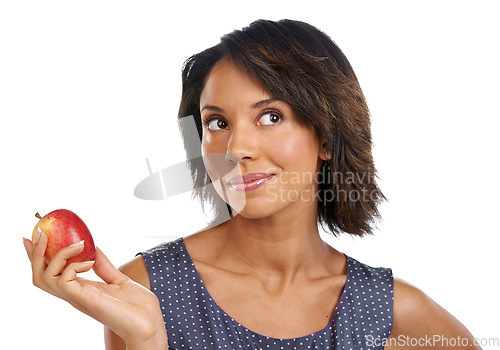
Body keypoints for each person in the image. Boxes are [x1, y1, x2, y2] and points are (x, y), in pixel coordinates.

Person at [23, 19, 481, 350]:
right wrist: (146, 339)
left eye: (271, 116)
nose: (237, 147)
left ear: (325, 135)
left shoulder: (395, 314)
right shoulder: (146, 290)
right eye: (217, 122)